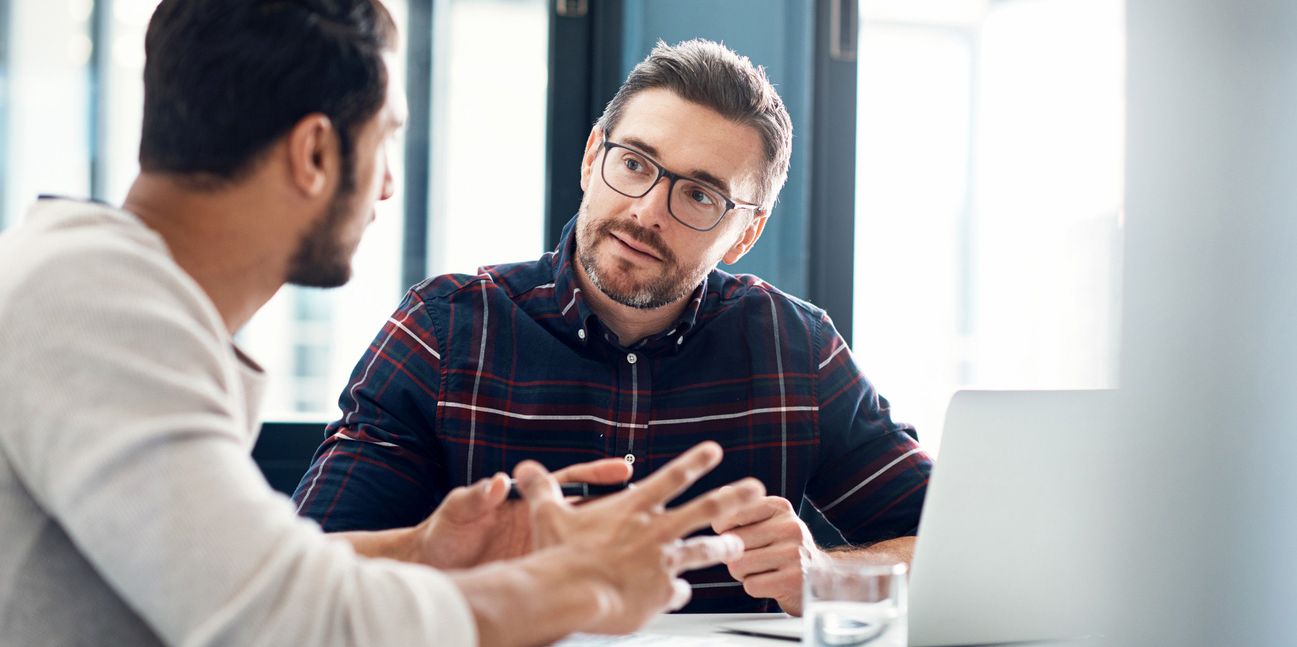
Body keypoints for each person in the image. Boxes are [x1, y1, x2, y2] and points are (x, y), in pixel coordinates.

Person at [0, 2, 765, 646]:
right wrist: (570, 587)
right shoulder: (93, 307)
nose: (391, 184)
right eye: (386, 137)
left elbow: (235, 573)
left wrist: (426, 547)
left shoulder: (96, 291)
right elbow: (284, 621)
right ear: (314, 153)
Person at [293, 38, 935, 614]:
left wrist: (829, 575)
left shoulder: (798, 349)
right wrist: (443, 555)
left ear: (746, 234)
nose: (648, 210)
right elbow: (304, 576)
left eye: (700, 195)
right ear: (591, 157)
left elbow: (955, 545)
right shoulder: (442, 330)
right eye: (634, 163)